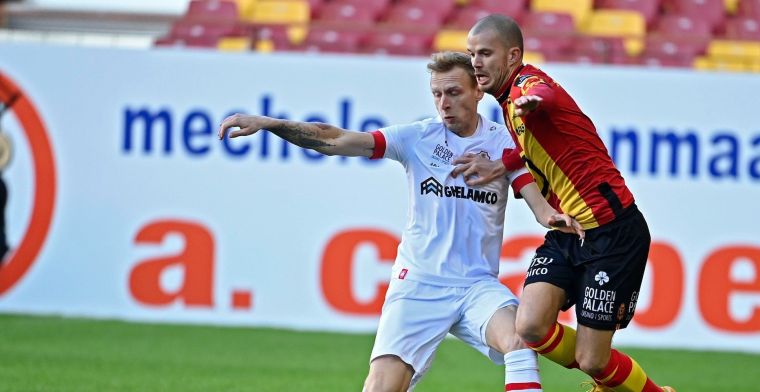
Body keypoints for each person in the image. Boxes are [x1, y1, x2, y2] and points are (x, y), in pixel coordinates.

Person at [218, 52, 583, 392]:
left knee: (519, 339)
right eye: (437, 94)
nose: (444, 103)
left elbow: (537, 202)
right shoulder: (416, 138)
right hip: (419, 285)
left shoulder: (504, 142)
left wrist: (555, 218)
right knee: (382, 386)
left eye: (454, 92)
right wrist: (271, 123)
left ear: (477, 91)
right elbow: (337, 138)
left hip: (476, 285)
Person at [452, 14, 676, 392]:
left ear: (512, 56)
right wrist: (502, 163)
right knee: (530, 326)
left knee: (593, 360)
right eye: (471, 53)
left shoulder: (527, 86)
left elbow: (544, 96)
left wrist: (532, 102)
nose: (475, 62)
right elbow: (535, 149)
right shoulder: (508, 102)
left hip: (611, 230)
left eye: (485, 53)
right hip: (568, 228)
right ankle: (608, 381)